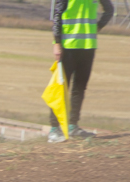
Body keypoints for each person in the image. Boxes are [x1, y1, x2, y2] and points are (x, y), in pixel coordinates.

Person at [46, 0, 114, 142]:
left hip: (88, 46)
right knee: (60, 88)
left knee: (79, 88)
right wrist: (56, 42)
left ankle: (73, 126)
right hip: (67, 46)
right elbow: (57, 14)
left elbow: (109, 9)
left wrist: (98, 26)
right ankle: (54, 129)